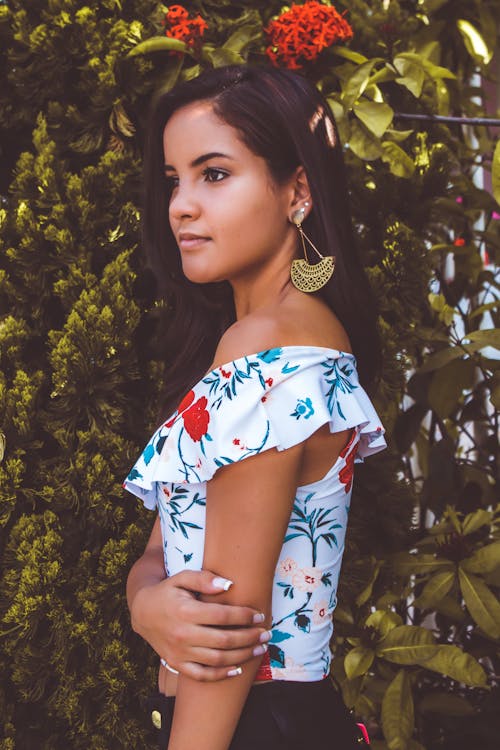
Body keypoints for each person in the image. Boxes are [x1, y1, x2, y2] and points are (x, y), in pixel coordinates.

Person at [123, 64, 387, 750]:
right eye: (173, 179)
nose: (180, 204)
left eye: (213, 174)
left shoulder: (268, 349)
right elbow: (163, 552)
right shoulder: (267, 342)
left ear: (296, 190)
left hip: (247, 727)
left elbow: (232, 631)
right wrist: (144, 601)